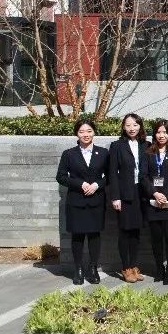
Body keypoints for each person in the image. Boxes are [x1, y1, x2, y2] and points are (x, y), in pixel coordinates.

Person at [57, 120, 109, 285]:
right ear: (76, 134)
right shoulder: (69, 154)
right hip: (76, 201)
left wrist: (97, 185)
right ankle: (78, 269)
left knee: (94, 235)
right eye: (81, 131)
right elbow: (61, 176)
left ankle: (93, 268)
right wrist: (80, 184)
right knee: (77, 236)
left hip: (96, 201)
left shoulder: (103, 153)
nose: (86, 134)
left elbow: (110, 176)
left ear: (94, 132)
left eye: (89, 131)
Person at [107, 114, 149, 283]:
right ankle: (125, 267)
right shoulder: (117, 146)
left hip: (141, 193)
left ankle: (133, 265)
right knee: (125, 231)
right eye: (128, 125)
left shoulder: (146, 145)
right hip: (124, 194)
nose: (132, 128)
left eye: (135, 125)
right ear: (123, 127)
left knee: (136, 232)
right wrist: (115, 197)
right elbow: (112, 173)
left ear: (140, 126)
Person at [142, 120, 168, 284]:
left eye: (165, 132)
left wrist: (165, 195)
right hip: (153, 201)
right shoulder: (148, 152)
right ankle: (159, 268)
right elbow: (144, 176)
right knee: (156, 238)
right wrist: (155, 193)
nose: (162, 135)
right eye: (159, 132)